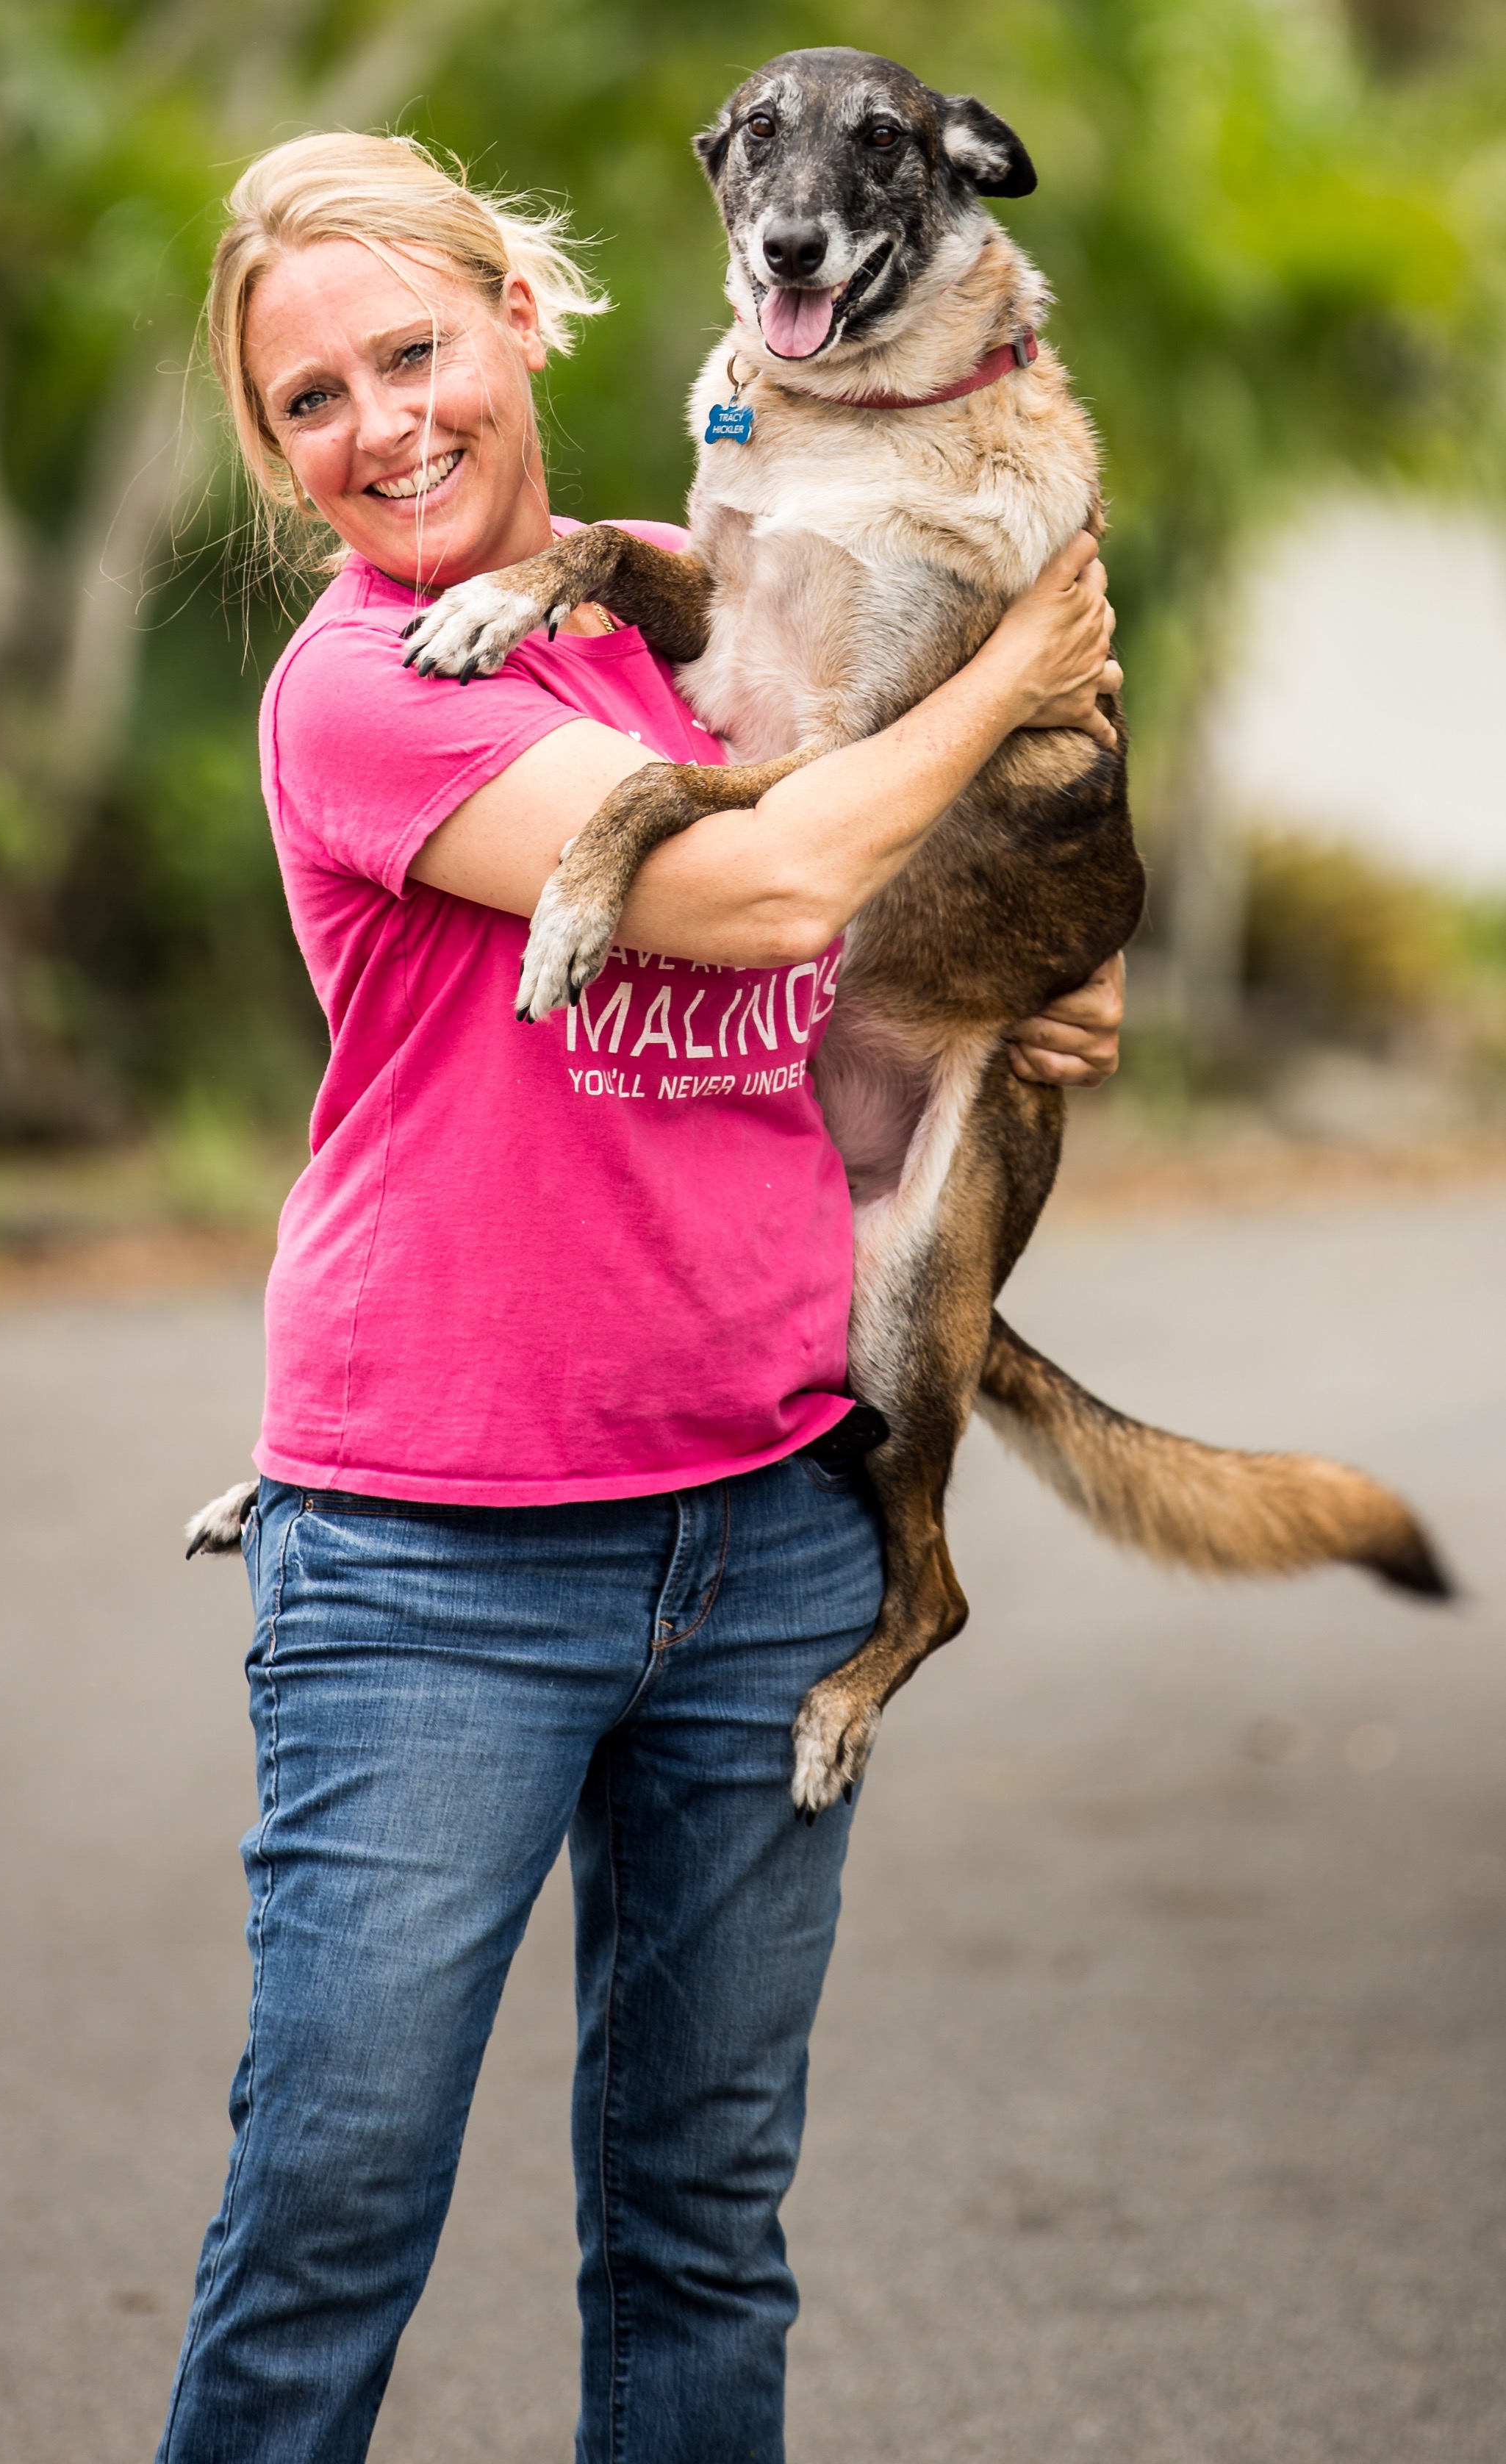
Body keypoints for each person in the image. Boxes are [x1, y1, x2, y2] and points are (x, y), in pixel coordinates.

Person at [161, 130, 1125, 2464]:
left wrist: (1025, 975)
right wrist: (1029, 651)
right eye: (313, 400)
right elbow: (778, 885)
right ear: (276, 455)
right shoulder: (373, 684)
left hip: (781, 1522)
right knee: (331, 2220)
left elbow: (910, 884)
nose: (382, 423)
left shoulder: (697, 593)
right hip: (438, 1565)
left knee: (702, 2224)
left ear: (524, 320)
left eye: (415, 350)